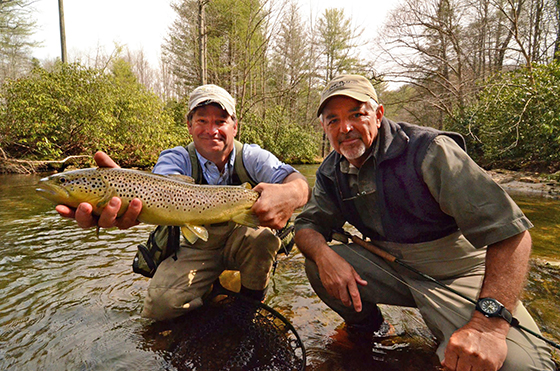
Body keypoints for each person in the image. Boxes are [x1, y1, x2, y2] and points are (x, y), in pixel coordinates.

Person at [294, 74, 555, 371]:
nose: (346, 128)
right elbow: (306, 225)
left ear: (379, 115)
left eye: (357, 114)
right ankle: (371, 330)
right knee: (317, 264)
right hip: (391, 268)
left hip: (460, 272)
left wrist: (488, 326)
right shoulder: (331, 171)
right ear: (324, 127)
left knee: (524, 367)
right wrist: (324, 255)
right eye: (334, 120)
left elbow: (512, 235)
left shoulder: (430, 151)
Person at [56, 84, 310, 321]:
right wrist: (125, 185)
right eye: (202, 121)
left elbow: (298, 182)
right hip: (196, 246)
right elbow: (158, 188)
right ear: (189, 126)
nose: (211, 130)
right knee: (160, 308)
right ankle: (209, 297)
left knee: (263, 238)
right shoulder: (174, 158)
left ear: (235, 126)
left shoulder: (253, 156)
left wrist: (292, 193)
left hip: (242, 239)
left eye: (220, 121)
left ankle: (250, 304)